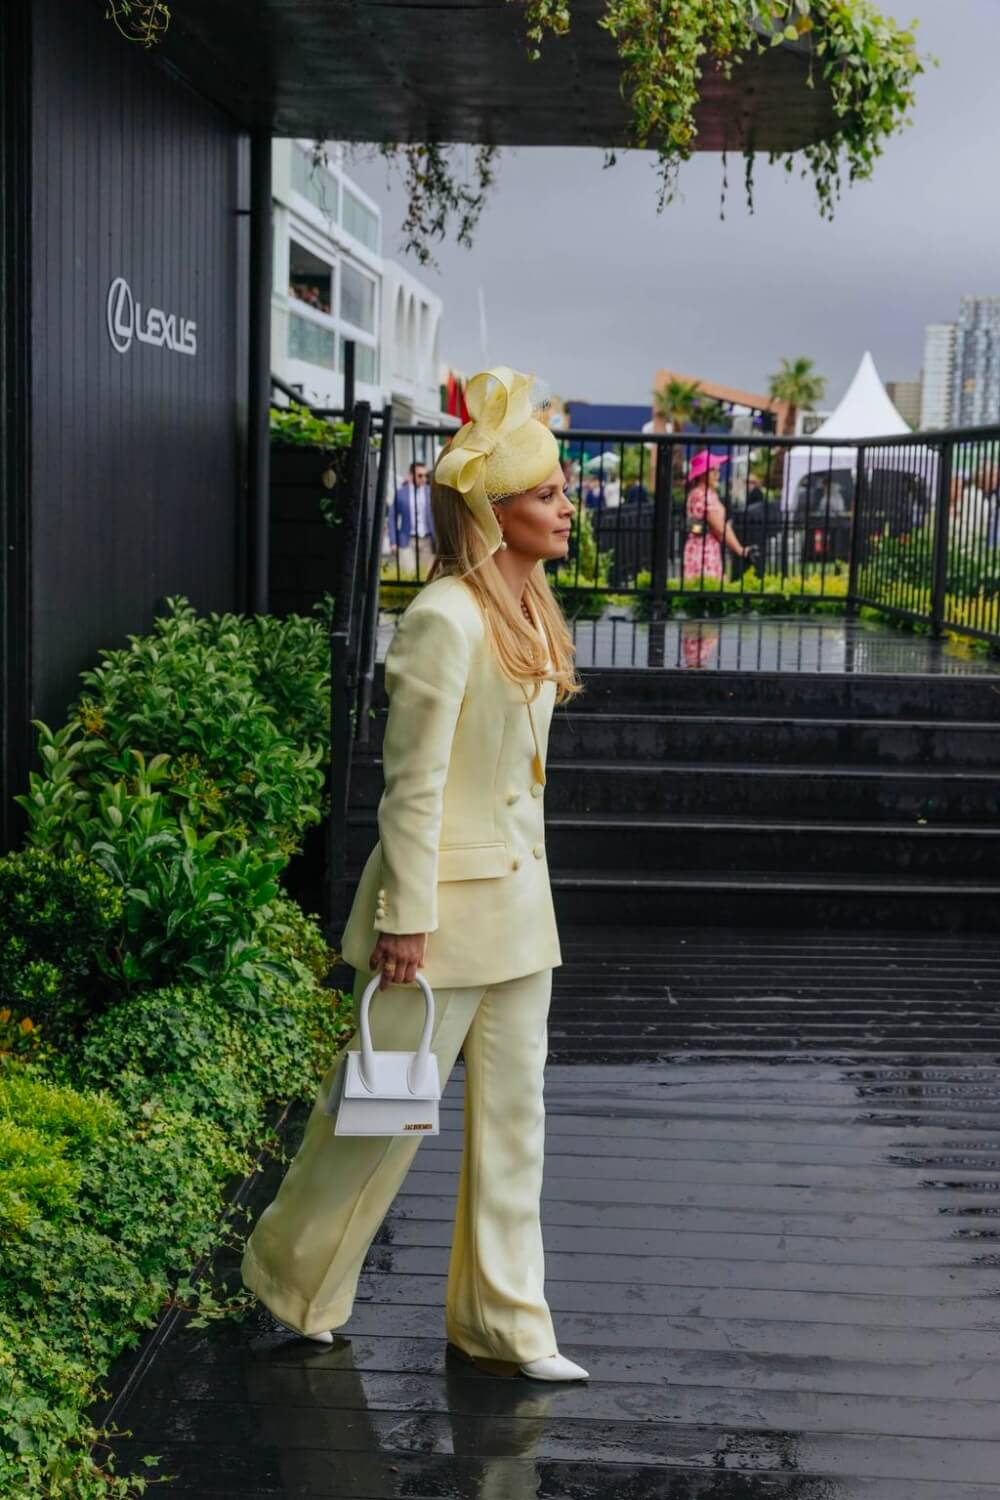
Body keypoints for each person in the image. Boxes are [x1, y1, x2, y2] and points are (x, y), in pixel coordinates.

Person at [240, 364, 590, 1383]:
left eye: (561, 490)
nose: (566, 507)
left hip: (522, 919)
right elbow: (411, 789)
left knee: (515, 1131)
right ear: (491, 510)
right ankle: (288, 1279)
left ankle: (505, 1323)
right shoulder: (445, 616)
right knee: (373, 1120)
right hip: (433, 931)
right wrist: (403, 918)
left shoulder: (534, 612)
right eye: (545, 494)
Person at [682, 450, 755, 582]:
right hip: (703, 551)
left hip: (709, 548)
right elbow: (720, 527)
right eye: (713, 471)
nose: (717, 474)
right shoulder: (701, 495)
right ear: (703, 474)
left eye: (718, 470)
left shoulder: (707, 493)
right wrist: (740, 550)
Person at [387, 460, 435, 575]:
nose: (424, 478)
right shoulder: (401, 493)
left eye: (426, 475)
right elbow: (392, 517)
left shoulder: (431, 492)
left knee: (426, 576)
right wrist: (393, 541)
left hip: (428, 540)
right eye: (420, 475)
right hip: (407, 540)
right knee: (409, 574)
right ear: (411, 475)